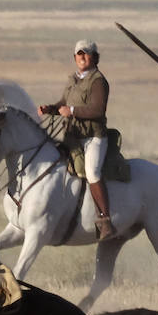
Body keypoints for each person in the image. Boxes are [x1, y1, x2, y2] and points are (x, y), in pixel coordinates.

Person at [37, 39, 115, 239]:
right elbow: (64, 102)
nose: (82, 57)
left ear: (95, 58)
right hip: (73, 135)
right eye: (79, 54)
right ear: (74, 58)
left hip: (93, 137)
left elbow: (98, 109)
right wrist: (51, 109)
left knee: (92, 171)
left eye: (86, 53)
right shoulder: (73, 79)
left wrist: (71, 111)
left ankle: (105, 220)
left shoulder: (98, 81)